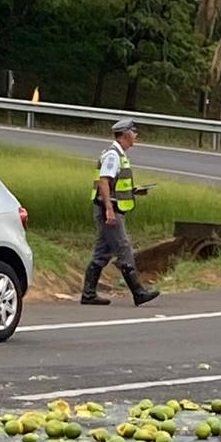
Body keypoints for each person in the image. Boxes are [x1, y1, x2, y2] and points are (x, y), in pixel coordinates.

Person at [79, 117, 159, 306]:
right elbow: (104, 181)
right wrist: (109, 210)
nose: (136, 135)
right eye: (134, 132)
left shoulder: (119, 155)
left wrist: (134, 191)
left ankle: (88, 294)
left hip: (112, 208)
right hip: (110, 210)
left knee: (102, 253)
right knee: (124, 248)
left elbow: (115, 184)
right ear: (125, 135)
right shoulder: (113, 156)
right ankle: (138, 292)